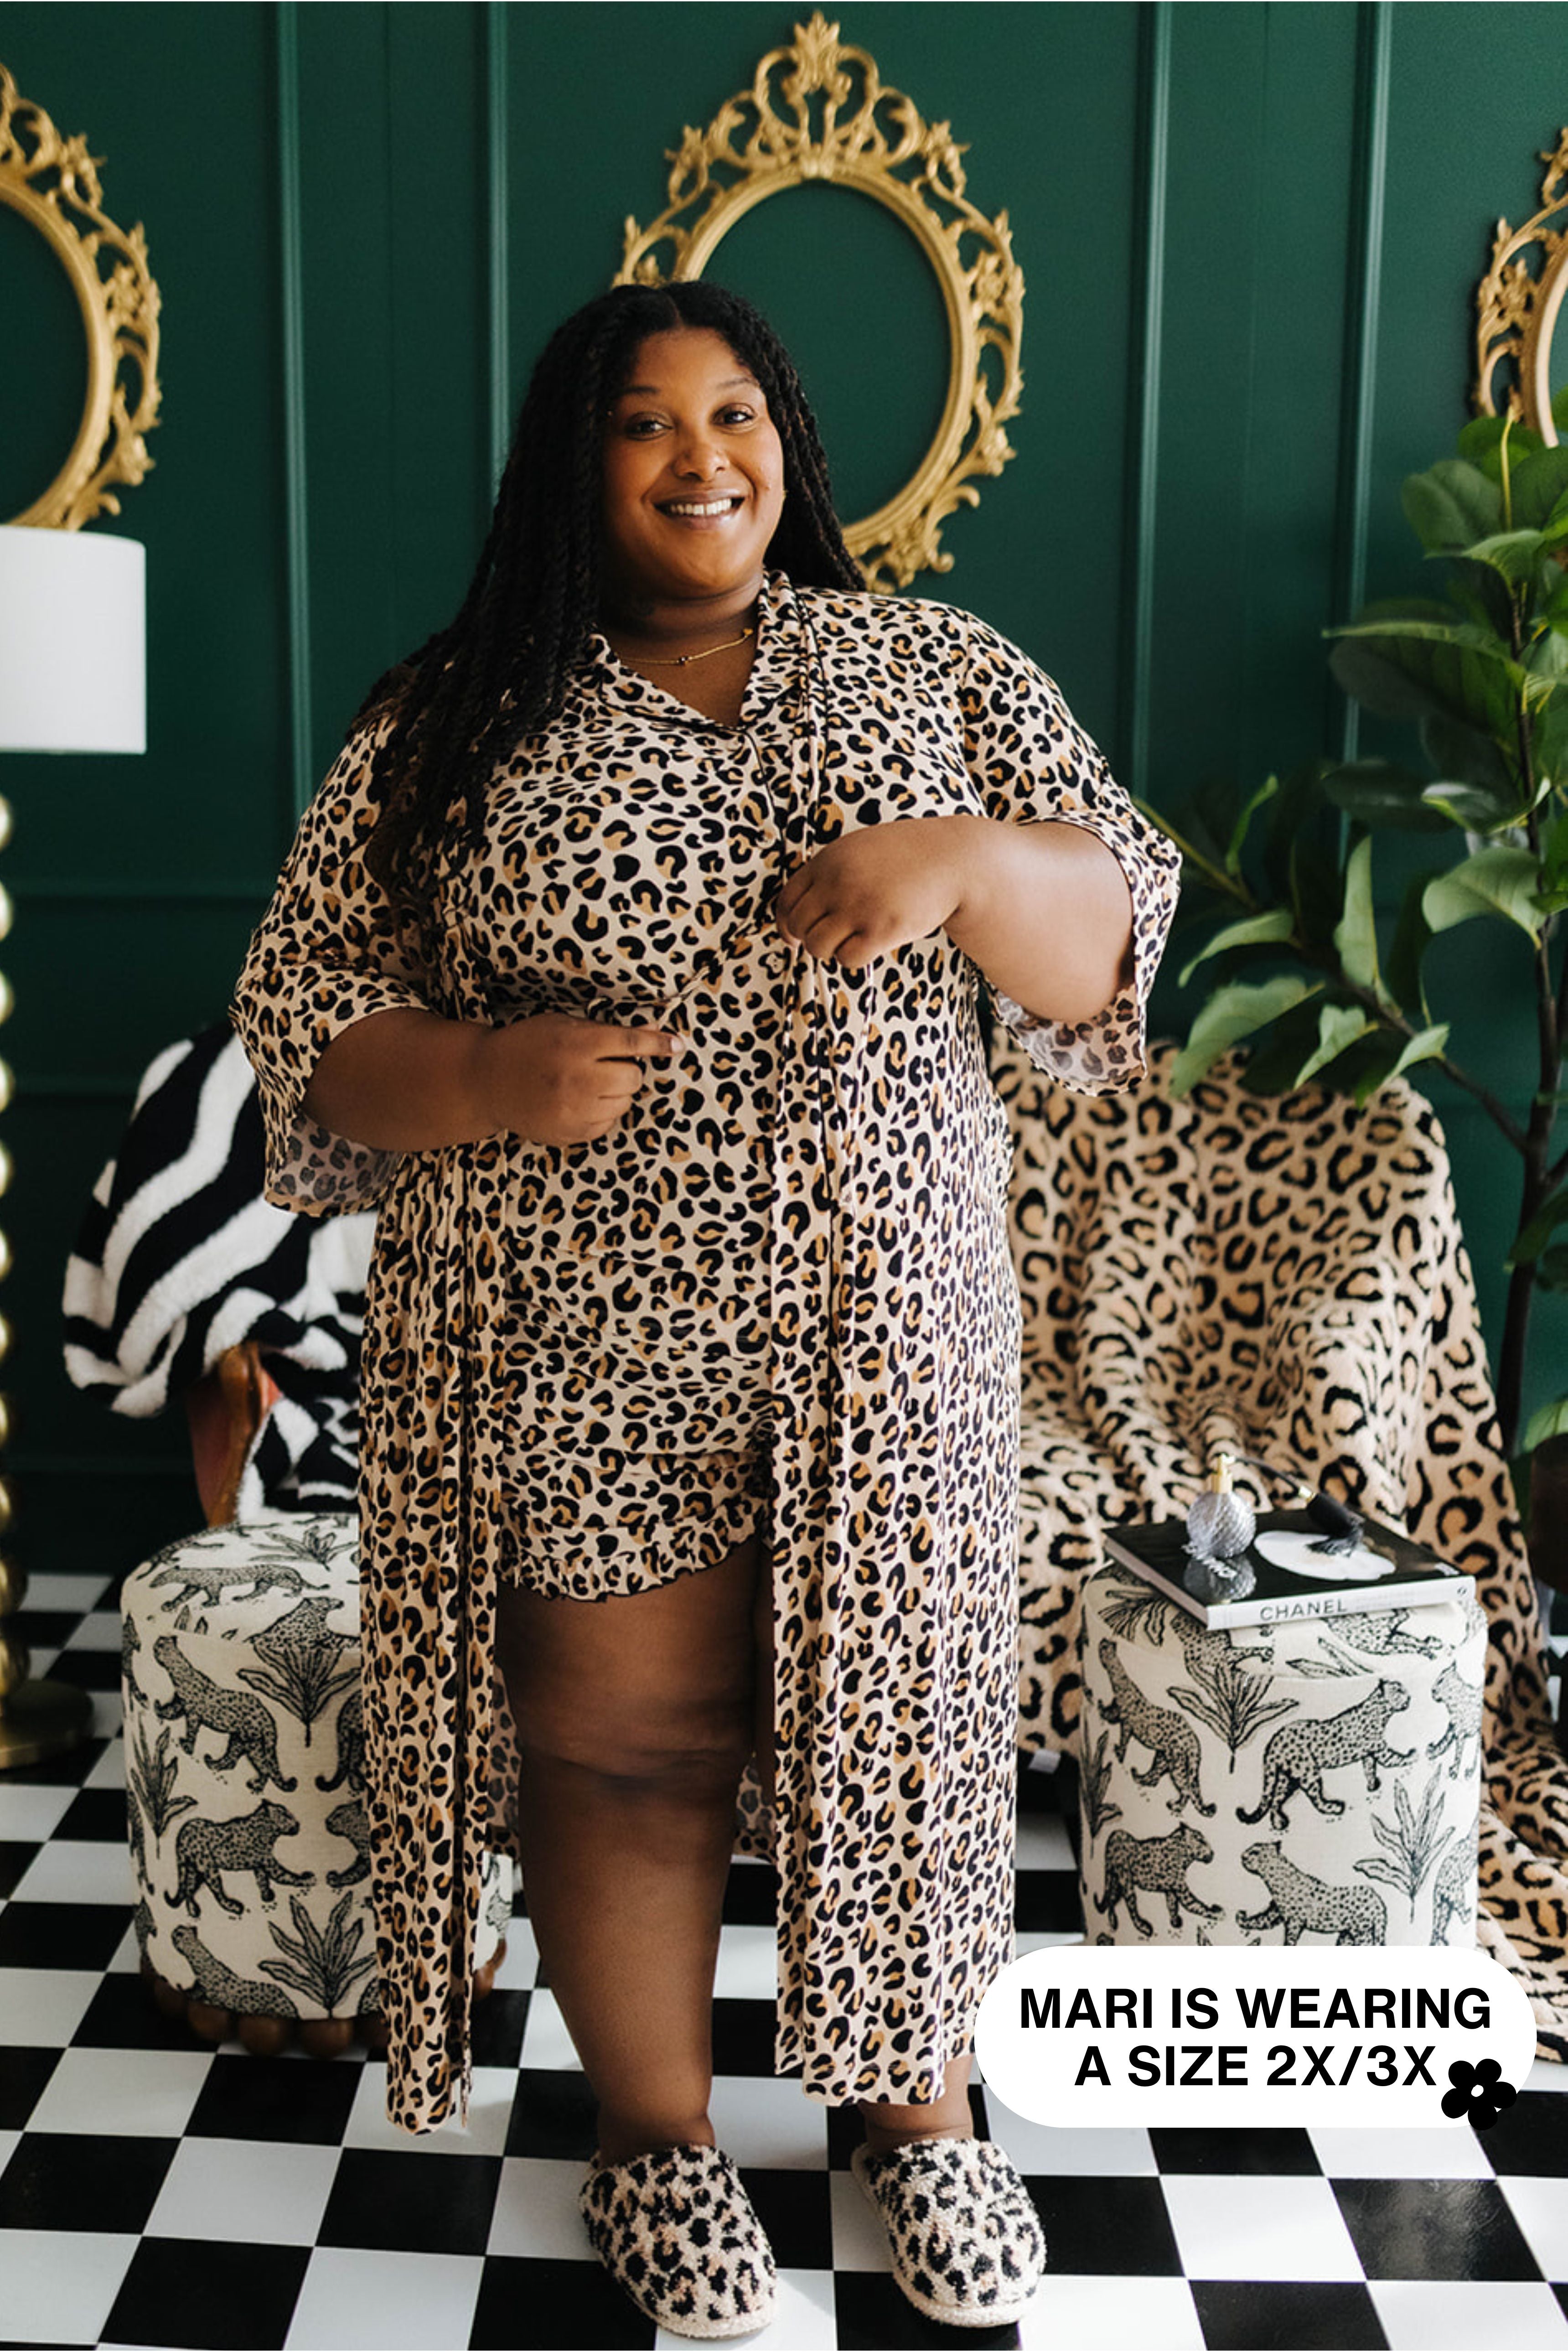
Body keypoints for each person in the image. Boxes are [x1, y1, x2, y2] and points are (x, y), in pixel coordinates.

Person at [233, 278, 1179, 2338]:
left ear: (791, 445)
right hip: (579, 1342)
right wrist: (482, 1081)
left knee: (904, 1740)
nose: (698, 454)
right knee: (621, 1746)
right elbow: (305, 1025)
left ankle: (918, 2126)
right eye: (642, 421)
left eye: (734, 410)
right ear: (575, 468)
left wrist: (954, 861)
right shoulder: (455, 713)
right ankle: (656, 2137)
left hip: (884, 1336)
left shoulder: (932, 664)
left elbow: (1109, 931)